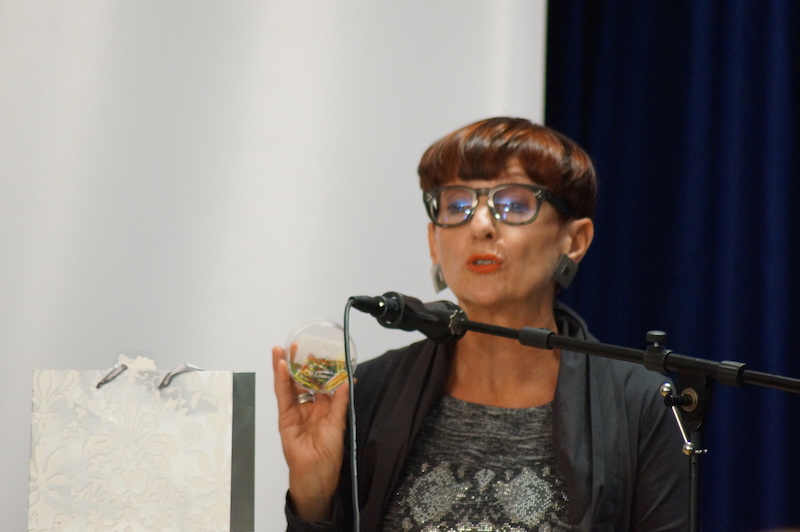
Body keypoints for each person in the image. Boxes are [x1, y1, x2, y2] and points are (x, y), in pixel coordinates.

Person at [272, 117, 689, 531]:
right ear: (434, 241)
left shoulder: (641, 405)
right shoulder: (369, 393)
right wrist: (314, 495)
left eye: (514, 205)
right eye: (456, 206)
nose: (481, 225)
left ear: (574, 240)